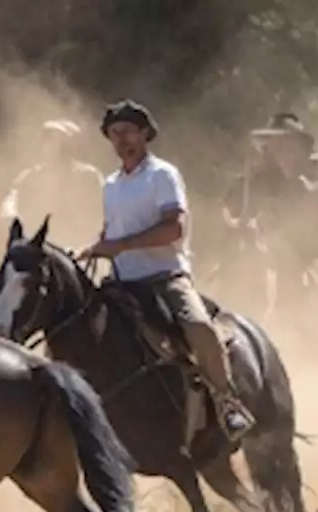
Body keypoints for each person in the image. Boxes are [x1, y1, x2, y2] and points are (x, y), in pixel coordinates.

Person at [77, 99, 255, 442]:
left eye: (128, 131)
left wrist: (121, 245)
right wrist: (96, 246)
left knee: (199, 326)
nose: (121, 139)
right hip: (123, 281)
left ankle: (227, 402)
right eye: (114, 133)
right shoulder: (111, 184)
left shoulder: (163, 175)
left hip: (164, 278)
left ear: (145, 134)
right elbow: (113, 231)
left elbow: (173, 228)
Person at [221, 112, 318, 282]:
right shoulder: (265, 168)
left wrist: (293, 177)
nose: (276, 148)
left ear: (298, 144)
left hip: (310, 243)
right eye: (273, 142)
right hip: (267, 239)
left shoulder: (317, 167)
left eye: (283, 142)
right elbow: (236, 202)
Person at [1, 119, 105, 242]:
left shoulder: (89, 176)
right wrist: (10, 214)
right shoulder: (31, 176)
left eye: (60, 141)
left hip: (81, 247)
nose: (53, 146)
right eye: (49, 141)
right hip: (39, 246)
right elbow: (12, 197)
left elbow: (105, 209)